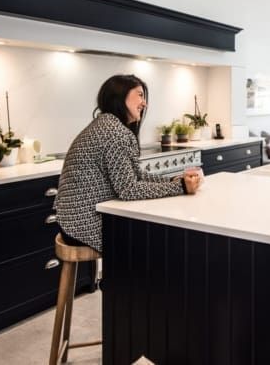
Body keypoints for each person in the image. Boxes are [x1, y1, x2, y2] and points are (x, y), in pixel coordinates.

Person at [55, 74, 202, 252]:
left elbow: (136, 175)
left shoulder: (106, 125)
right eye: (140, 95)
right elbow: (129, 189)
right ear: (120, 95)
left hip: (73, 221)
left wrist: (173, 181)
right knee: (159, 237)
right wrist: (181, 188)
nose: (144, 103)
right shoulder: (115, 132)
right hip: (85, 226)